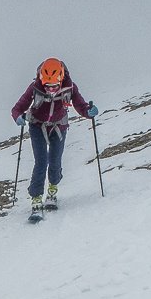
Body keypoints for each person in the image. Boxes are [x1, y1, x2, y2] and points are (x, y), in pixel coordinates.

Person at [10, 57, 99, 213]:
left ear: (61, 79)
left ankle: (52, 190)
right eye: (47, 86)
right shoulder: (34, 87)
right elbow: (18, 108)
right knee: (41, 162)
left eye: (54, 86)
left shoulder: (70, 88)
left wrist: (88, 112)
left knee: (55, 161)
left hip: (59, 126)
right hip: (37, 126)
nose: (51, 90)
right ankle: (36, 197)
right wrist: (18, 117)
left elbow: (80, 105)